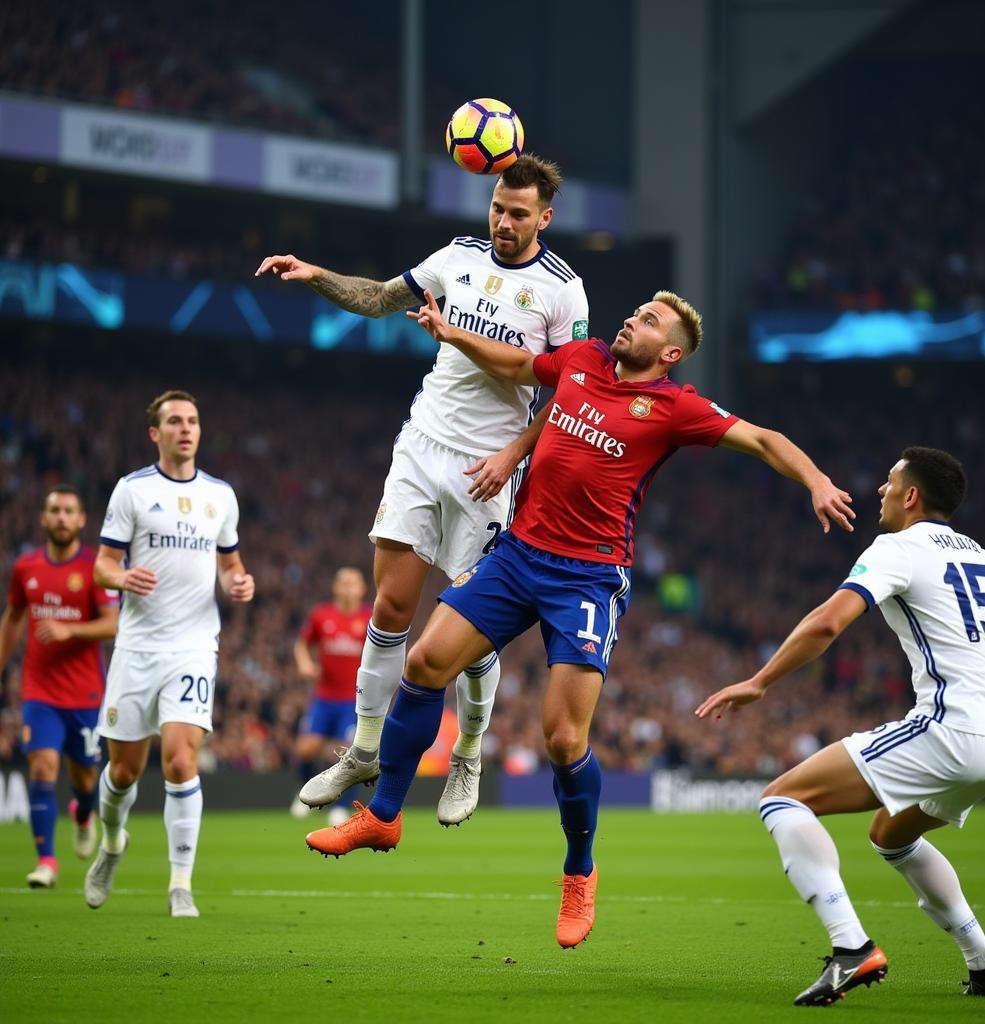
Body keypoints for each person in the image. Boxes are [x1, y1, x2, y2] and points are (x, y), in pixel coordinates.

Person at [305, 289, 855, 950]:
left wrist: (817, 480)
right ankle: (384, 814)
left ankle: (578, 870)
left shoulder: (676, 407)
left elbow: (762, 439)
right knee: (424, 662)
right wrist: (451, 334)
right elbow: (515, 364)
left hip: (587, 577)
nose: (632, 319)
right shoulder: (584, 359)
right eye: (636, 311)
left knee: (563, 739)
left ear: (671, 353)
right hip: (516, 556)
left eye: (650, 320)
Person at [255, 154, 589, 826]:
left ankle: (467, 752)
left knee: (477, 633)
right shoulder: (458, 256)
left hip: (489, 469)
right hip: (422, 447)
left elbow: (568, 390)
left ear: (544, 219)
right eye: (498, 207)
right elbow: (380, 298)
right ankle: (365, 747)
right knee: (390, 606)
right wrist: (317, 275)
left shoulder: (563, 290)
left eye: (518, 213)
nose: (502, 220)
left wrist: (513, 454)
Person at [696, 447, 985, 1005]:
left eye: (890, 482)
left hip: (950, 729)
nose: (881, 491)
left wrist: (760, 681)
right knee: (891, 834)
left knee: (781, 800)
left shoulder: (899, 547)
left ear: (911, 495)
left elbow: (827, 623)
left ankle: (851, 948)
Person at [85, 390, 255, 918]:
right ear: (155, 434)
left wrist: (239, 582)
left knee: (181, 761)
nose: (186, 428)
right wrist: (122, 576)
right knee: (123, 772)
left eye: (193, 421)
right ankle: (112, 844)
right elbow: (102, 566)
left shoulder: (220, 496)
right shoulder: (132, 491)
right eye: (175, 421)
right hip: (137, 645)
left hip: (193, 645)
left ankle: (180, 882)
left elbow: (230, 563)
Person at [0, 486, 119, 888]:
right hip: (39, 691)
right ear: (44, 518)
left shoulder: (94, 567)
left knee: (85, 779)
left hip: (85, 693)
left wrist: (70, 629)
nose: (63, 517)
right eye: (55, 510)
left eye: (70, 510)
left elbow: (113, 623)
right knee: (43, 765)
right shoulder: (26, 567)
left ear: (81, 520)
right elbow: (14, 616)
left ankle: (83, 813)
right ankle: (47, 861)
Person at [290, 566, 371, 824]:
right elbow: (302, 643)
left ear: (362, 589)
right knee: (306, 748)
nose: (347, 588)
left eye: (353, 583)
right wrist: (303, 663)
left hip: (354, 700)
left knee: (349, 753)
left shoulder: (370, 618)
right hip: (324, 697)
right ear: (335, 587)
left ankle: (342, 805)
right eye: (343, 583)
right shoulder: (321, 615)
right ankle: (307, 793)